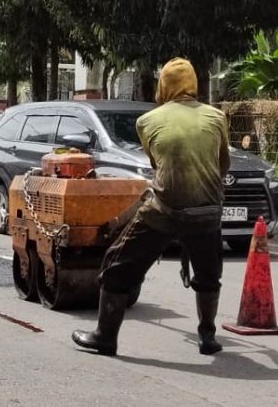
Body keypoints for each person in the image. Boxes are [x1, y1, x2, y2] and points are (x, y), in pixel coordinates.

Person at [71, 58, 230, 357]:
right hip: (208, 211)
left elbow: (159, 165)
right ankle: (207, 336)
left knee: (116, 267)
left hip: (164, 211)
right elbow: (222, 165)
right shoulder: (217, 117)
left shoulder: (147, 121)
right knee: (208, 276)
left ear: (163, 86)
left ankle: (104, 336)